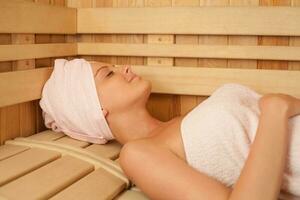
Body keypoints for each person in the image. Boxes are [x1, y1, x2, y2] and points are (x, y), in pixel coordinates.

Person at [41, 59, 300, 200]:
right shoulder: (138, 154)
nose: (126, 68)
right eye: (108, 74)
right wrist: (275, 111)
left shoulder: (180, 122)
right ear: (95, 109)